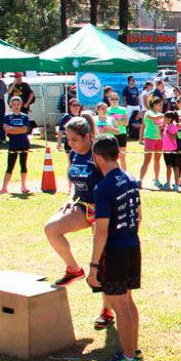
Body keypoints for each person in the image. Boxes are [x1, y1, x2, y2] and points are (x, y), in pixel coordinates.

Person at [44, 114, 116, 330]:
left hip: (102, 212)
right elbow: (74, 180)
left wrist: (105, 213)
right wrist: (70, 199)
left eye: (74, 139)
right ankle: (73, 270)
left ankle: (107, 311)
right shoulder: (74, 155)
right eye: (67, 139)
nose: (70, 143)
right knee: (51, 229)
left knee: (102, 262)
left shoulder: (98, 154)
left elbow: (112, 180)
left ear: (87, 137)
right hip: (83, 208)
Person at [85, 135, 145, 361]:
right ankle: (133, 351)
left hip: (115, 251)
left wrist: (94, 266)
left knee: (120, 306)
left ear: (97, 157)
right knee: (128, 302)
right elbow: (139, 216)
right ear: (117, 154)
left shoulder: (103, 187)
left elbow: (101, 230)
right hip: (132, 245)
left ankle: (129, 358)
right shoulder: (130, 178)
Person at [0, 96, 31, 195]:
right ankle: (4, 187)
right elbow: (6, 129)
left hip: (24, 143)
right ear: (11, 105)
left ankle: (23, 185)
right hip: (13, 143)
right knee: (10, 165)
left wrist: (12, 128)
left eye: (18, 104)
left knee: (23, 164)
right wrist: (17, 129)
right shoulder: (8, 117)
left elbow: (25, 129)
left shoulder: (24, 116)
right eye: (14, 104)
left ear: (21, 105)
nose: (16, 106)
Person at [139, 96, 165, 188]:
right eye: (159, 105)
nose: (161, 106)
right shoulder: (149, 113)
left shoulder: (161, 115)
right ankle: (140, 180)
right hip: (149, 138)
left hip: (159, 140)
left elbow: (162, 126)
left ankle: (157, 180)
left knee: (157, 160)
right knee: (147, 160)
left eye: (161, 105)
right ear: (154, 105)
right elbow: (154, 118)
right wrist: (166, 115)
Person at [106, 91, 130, 170]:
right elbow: (107, 123)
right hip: (111, 134)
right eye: (112, 99)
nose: (114, 100)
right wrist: (120, 121)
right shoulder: (107, 110)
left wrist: (114, 121)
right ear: (109, 99)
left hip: (122, 133)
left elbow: (126, 122)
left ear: (118, 100)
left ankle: (125, 175)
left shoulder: (123, 109)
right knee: (111, 157)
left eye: (116, 99)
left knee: (122, 157)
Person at [161, 110, 181, 191]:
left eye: (165, 118)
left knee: (175, 167)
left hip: (173, 150)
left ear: (169, 119)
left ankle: (176, 184)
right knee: (168, 167)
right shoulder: (166, 126)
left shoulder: (173, 126)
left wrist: (168, 133)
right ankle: (168, 183)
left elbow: (174, 137)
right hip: (166, 150)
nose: (163, 119)